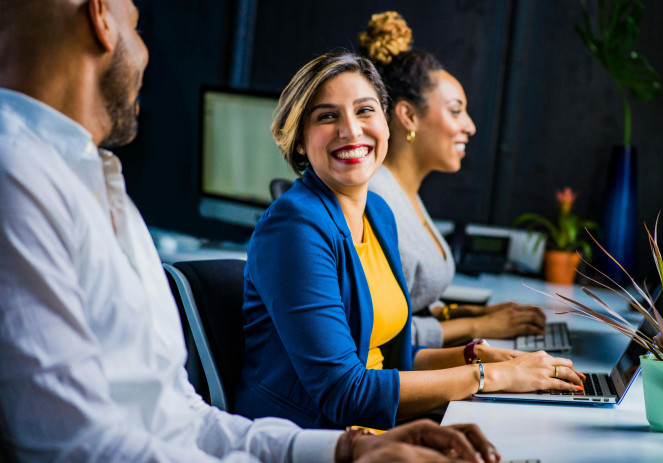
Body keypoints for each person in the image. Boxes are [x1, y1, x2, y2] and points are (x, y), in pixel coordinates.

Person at [0, 1, 502, 462]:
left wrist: (346, 452)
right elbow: (78, 446)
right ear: (101, 17)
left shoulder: (100, 185)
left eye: (365, 110)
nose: (148, 52)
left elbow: (180, 416)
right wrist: (483, 375)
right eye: (136, 24)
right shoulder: (18, 178)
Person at [235, 50, 584, 432]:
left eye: (365, 111)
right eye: (327, 116)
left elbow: (390, 360)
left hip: (377, 430)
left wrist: (477, 356)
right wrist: (490, 377)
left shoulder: (379, 214)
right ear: (300, 140)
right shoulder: (294, 227)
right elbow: (344, 392)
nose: (351, 130)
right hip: (309, 438)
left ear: (386, 123)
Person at [362, 11, 547, 349]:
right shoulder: (377, 200)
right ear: (408, 115)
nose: (470, 126)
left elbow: (411, 305)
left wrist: (472, 314)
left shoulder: (405, 193)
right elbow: (381, 336)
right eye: (455, 110)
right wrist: (479, 326)